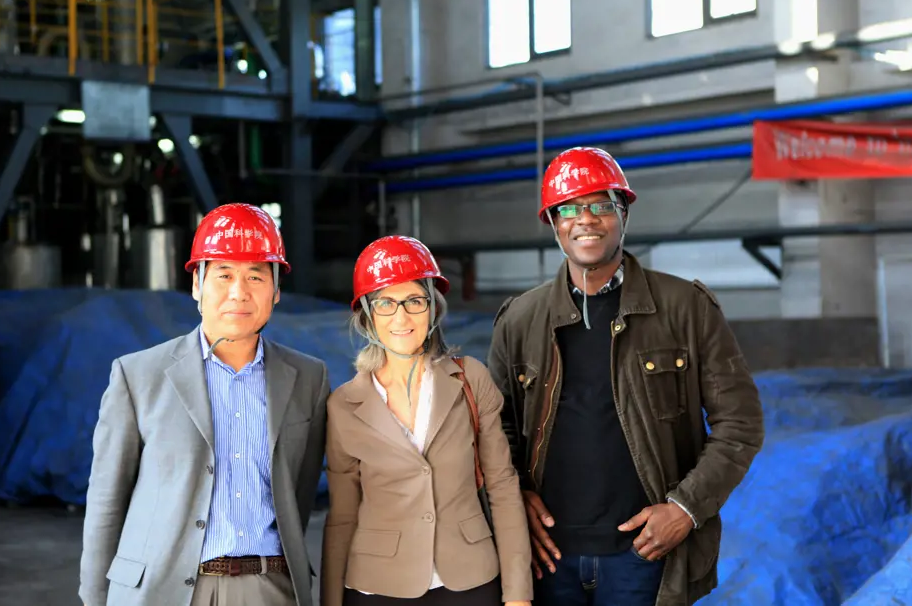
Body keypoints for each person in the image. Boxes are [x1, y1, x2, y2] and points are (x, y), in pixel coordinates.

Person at [487, 147, 765, 606]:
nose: (586, 221)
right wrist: (515, 499)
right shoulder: (519, 320)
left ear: (623, 213)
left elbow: (741, 424)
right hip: (547, 560)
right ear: (554, 224)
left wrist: (685, 508)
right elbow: (496, 433)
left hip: (645, 557)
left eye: (600, 206)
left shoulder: (685, 309)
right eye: (570, 209)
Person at [80, 203, 330, 606]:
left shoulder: (308, 379)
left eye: (255, 276)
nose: (239, 292)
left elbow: (299, 492)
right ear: (197, 285)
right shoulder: (138, 375)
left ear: (276, 290)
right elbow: (107, 502)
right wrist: (94, 598)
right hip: (160, 589)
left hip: (269, 588)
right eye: (224, 275)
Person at [321, 235, 533, 606]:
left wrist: (518, 594)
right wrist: (330, 601)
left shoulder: (470, 378)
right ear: (367, 315)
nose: (401, 317)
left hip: (469, 581)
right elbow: (342, 516)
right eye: (386, 303)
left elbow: (502, 486)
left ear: (433, 309)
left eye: (414, 301)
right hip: (378, 587)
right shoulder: (345, 405)